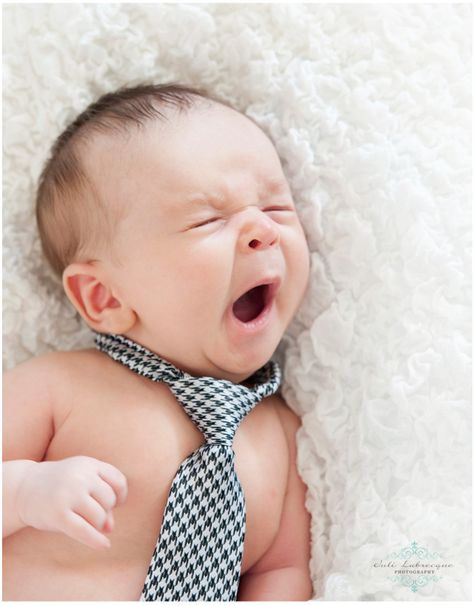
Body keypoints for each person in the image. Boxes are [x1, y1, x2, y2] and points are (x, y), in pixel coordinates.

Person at [2, 83, 312, 600]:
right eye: (206, 219)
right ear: (104, 297)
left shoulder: (281, 436)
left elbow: (280, 573)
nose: (262, 229)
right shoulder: (61, 388)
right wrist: (21, 493)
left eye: (277, 206)